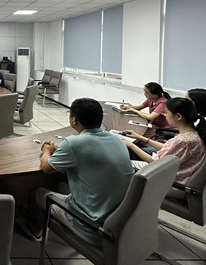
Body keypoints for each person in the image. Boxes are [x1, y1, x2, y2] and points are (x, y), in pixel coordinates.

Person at [24, 98, 134, 243]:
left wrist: (47, 151)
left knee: (35, 192)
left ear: (74, 120)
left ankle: (35, 228)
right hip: (118, 222)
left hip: (90, 225)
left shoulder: (73, 143)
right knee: (62, 186)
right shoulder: (116, 140)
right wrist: (61, 151)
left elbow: (46, 168)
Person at [122, 97, 206, 199]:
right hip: (173, 176)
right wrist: (140, 137)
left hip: (171, 183)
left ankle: (126, 200)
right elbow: (168, 147)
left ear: (178, 116)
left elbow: (154, 162)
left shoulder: (184, 141)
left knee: (121, 166)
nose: (164, 115)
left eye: (166, 112)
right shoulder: (191, 134)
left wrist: (130, 145)